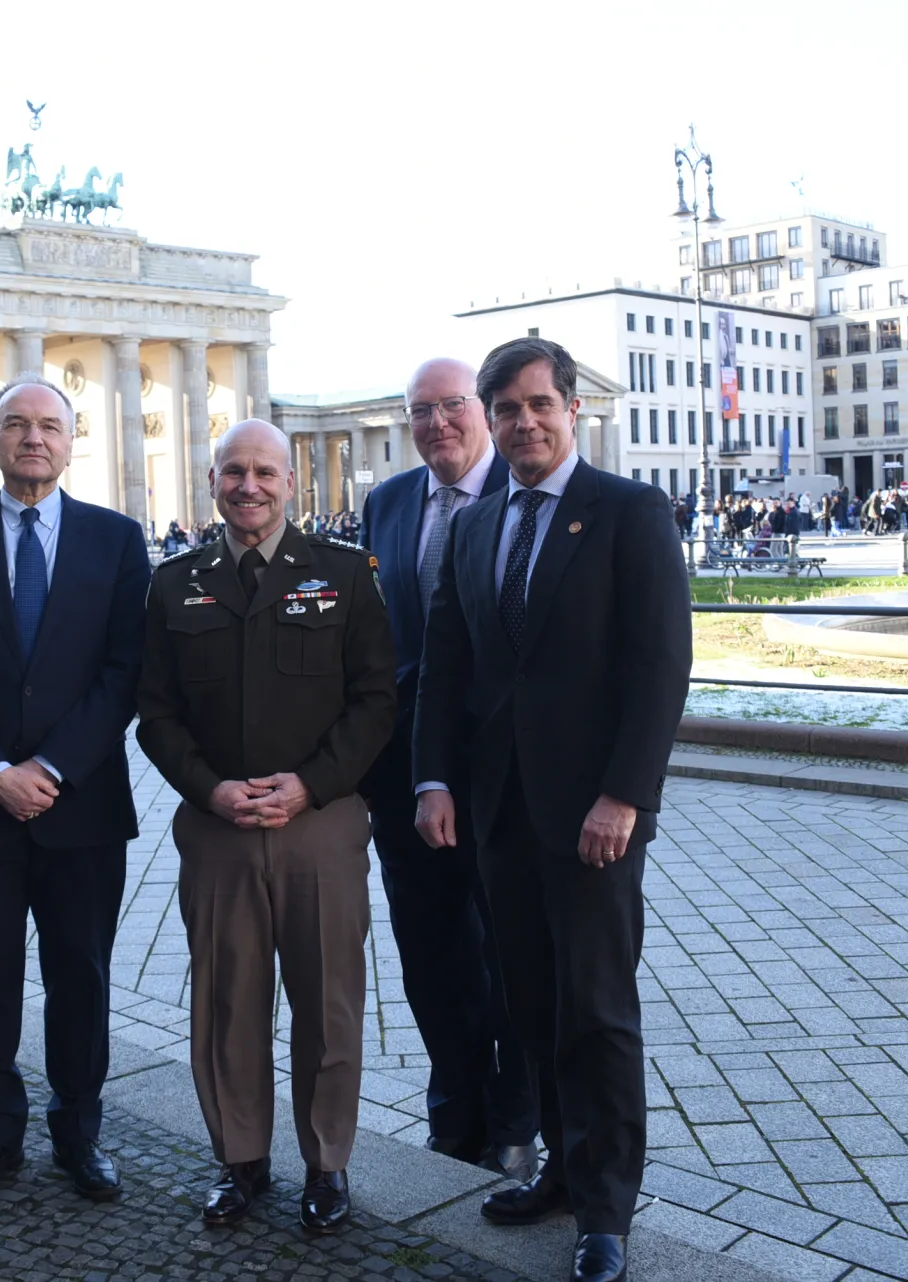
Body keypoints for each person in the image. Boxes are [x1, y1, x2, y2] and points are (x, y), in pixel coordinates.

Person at [413, 338, 691, 1282]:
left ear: (572, 409)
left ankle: (606, 1210)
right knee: (530, 1008)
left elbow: (660, 666)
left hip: (595, 819)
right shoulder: (476, 527)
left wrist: (625, 794)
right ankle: (563, 1177)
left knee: (598, 1012)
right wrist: (433, 778)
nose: (523, 422)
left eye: (539, 405)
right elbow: (448, 670)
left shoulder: (628, 512)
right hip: (500, 816)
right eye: (506, 409)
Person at [137, 419, 396, 1235]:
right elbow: (155, 713)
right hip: (216, 829)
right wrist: (209, 791)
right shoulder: (175, 582)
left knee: (328, 1003)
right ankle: (239, 1160)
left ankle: (327, 1164)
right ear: (212, 481)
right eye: (233, 472)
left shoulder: (346, 575)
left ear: (291, 482)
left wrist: (312, 785)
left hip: (318, 824)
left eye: (265, 472)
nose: (249, 486)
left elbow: (376, 699)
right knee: (227, 1003)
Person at [0, 377, 149, 1207]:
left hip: (78, 807)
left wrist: (49, 768)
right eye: (16, 424)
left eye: (50, 425)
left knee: (80, 977)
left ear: (72, 440)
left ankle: (79, 1132)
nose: (33, 438)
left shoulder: (117, 541)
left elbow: (125, 671)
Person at [356, 357, 538, 1179]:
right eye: (420, 410)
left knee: (512, 954)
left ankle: (517, 1116)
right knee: (429, 952)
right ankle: (453, 1109)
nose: (437, 423)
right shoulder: (388, 502)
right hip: (404, 774)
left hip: (506, 776)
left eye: (452, 406)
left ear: (482, 410)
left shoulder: (530, 493)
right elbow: (380, 640)